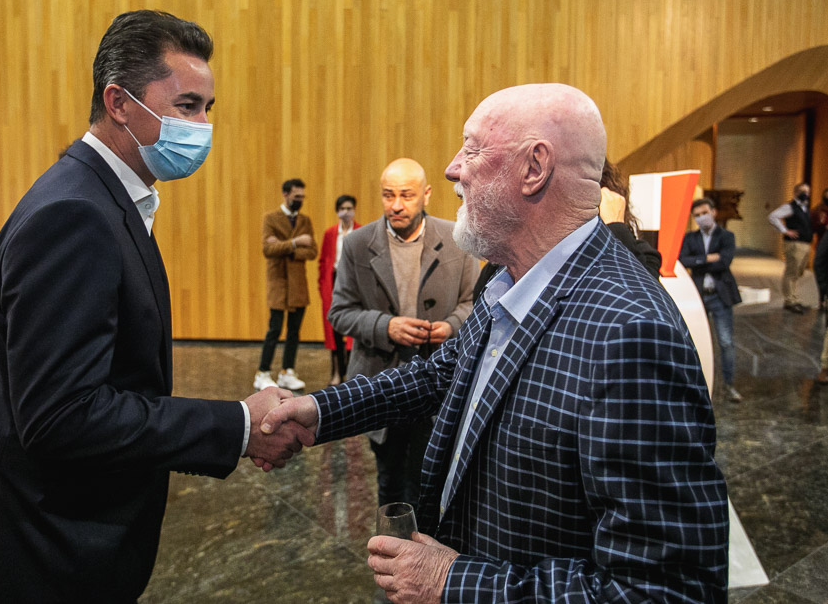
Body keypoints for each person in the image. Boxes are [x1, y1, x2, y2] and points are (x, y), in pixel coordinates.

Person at [260, 83, 728, 602]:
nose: (452, 169)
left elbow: (666, 589)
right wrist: (319, 411)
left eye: (472, 148)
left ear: (534, 168)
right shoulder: (506, 277)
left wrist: (452, 581)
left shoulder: (632, 333)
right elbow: (438, 375)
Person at [0, 10, 313, 604]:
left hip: (72, 544)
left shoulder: (103, 197)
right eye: (187, 106)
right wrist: (238, 426)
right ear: (118, 103)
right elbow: (61, 415)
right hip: (47, 556)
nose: (203, 126)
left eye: (208, 109)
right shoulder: (74, 214)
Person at [327, 158, 477, 509]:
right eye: (388, 195)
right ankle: (391, 543)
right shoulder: (358, 244)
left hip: (438, 381)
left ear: (426, 194)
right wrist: (386, 326)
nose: (396, 205)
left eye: (406, 195)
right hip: (380, 381)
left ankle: (426, 545)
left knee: (430, 486)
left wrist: (451, 326)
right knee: (389, 484)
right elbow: (340, 312)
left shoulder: (457, 240)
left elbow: (474, 302)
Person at [471, 159, 660, 301]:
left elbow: (640, 302)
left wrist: (614, 227)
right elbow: (482, 298)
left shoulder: (638, 253)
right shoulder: (530, 255)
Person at [254, 179, 318, 391]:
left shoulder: (305, 220)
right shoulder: (271, 218)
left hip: (298, 284)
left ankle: (287, 371)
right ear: (285, 194)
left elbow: (312, 251)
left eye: (302, 197)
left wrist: (283, 246)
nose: (300, 200)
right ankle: (263, 372)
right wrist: (295, 243)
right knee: (274, 329)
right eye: (297, 196)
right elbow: (267, 250)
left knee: (294, 331)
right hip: (279, 282)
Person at [680, 197, 743, 402]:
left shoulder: (726, 236)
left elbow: (724, 261)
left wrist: (698, 261)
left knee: (725, 342)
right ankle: (698, 384)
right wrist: (708, 258)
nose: (701, 218)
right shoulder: (690, 238)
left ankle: (729, 385)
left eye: (704, 213)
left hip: (719, 295)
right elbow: (683, 260)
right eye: (697, 215)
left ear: (713, 212)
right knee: (696, 341)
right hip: (698, 296)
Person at [317, 194, 361, 385]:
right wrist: (323, 286)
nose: (346, 212)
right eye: (342, 209)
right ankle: (336, 372)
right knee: (333, 329)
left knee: (352, 328)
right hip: (334, 281)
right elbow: (323, 261)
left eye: (349, 208)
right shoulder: (330, 233)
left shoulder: (360, 231)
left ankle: (351, 373)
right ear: (337, 211)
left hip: (353, 281)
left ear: (354, 210)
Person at [768, 182, 813, 313]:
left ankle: (794, 298)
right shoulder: (790, 207)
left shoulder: (805, 207)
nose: (805, 194)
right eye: (802, 191)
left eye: (807, 191)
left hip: (805, 243)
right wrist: (785, 230)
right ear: (796, 192)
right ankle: (789, 301)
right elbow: (773, 216)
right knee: (791, 272)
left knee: (798, 272)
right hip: (794, 244)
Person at [811, 187, 828, 310]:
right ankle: (822, 297)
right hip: (822, 245)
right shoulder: (818, 211)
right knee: (820, 268)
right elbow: (812, 227)